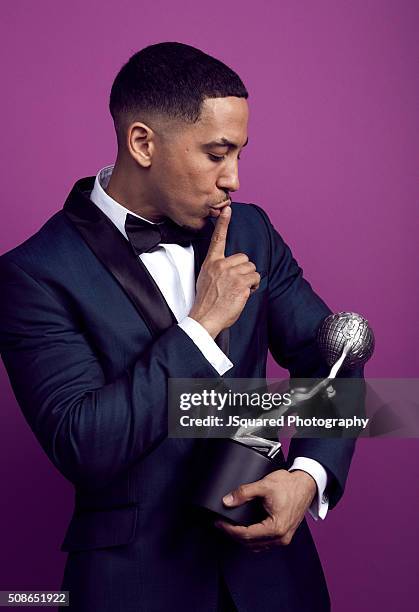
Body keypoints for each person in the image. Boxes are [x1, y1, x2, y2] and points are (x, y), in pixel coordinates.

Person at [0, 42, 359, 611]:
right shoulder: (33, 274)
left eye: (240, 153)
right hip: (134, 586)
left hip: (275, 579)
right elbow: (83, 442)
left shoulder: (253, 232)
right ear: (143, 142)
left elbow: (334, 358)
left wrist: (310, 475)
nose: (234, 180)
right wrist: (201, 327)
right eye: (217, 154)